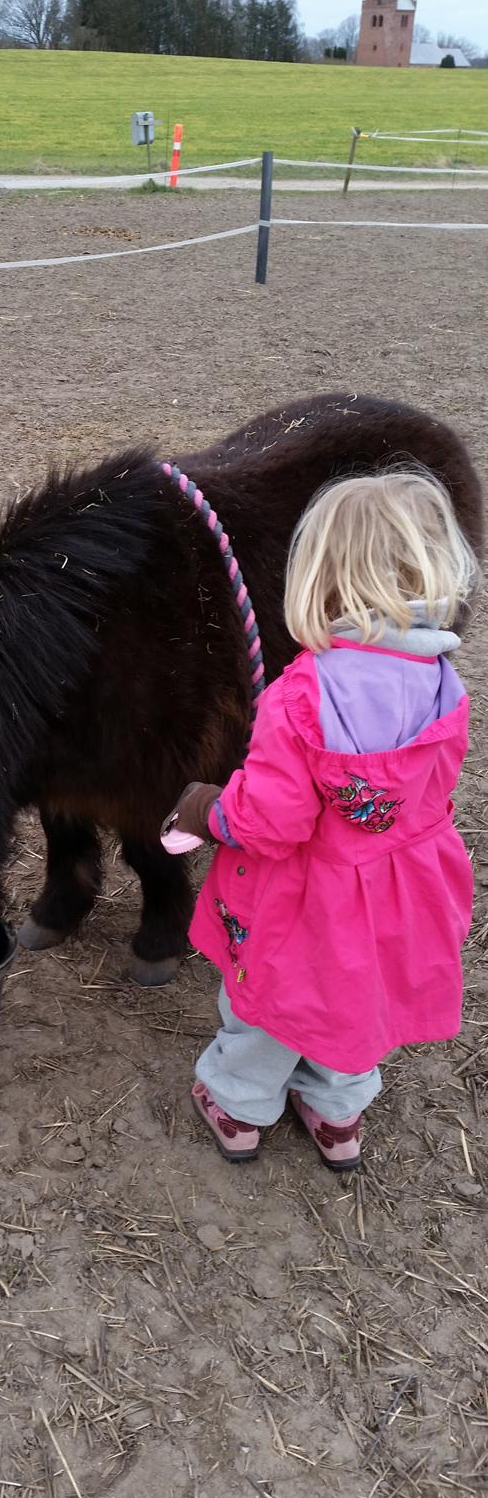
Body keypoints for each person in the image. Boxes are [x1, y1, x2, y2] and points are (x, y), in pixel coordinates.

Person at [162, 471, 478, 1170]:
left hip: (307, 897)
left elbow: (274, 819)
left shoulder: (302, 693)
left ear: (322, 580)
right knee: (357, 1000)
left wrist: (211, 809)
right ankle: (338, 1115)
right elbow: (431, 789)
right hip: (402, 889)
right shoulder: (443, 684)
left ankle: (238, 1107)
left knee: (269, 1000)